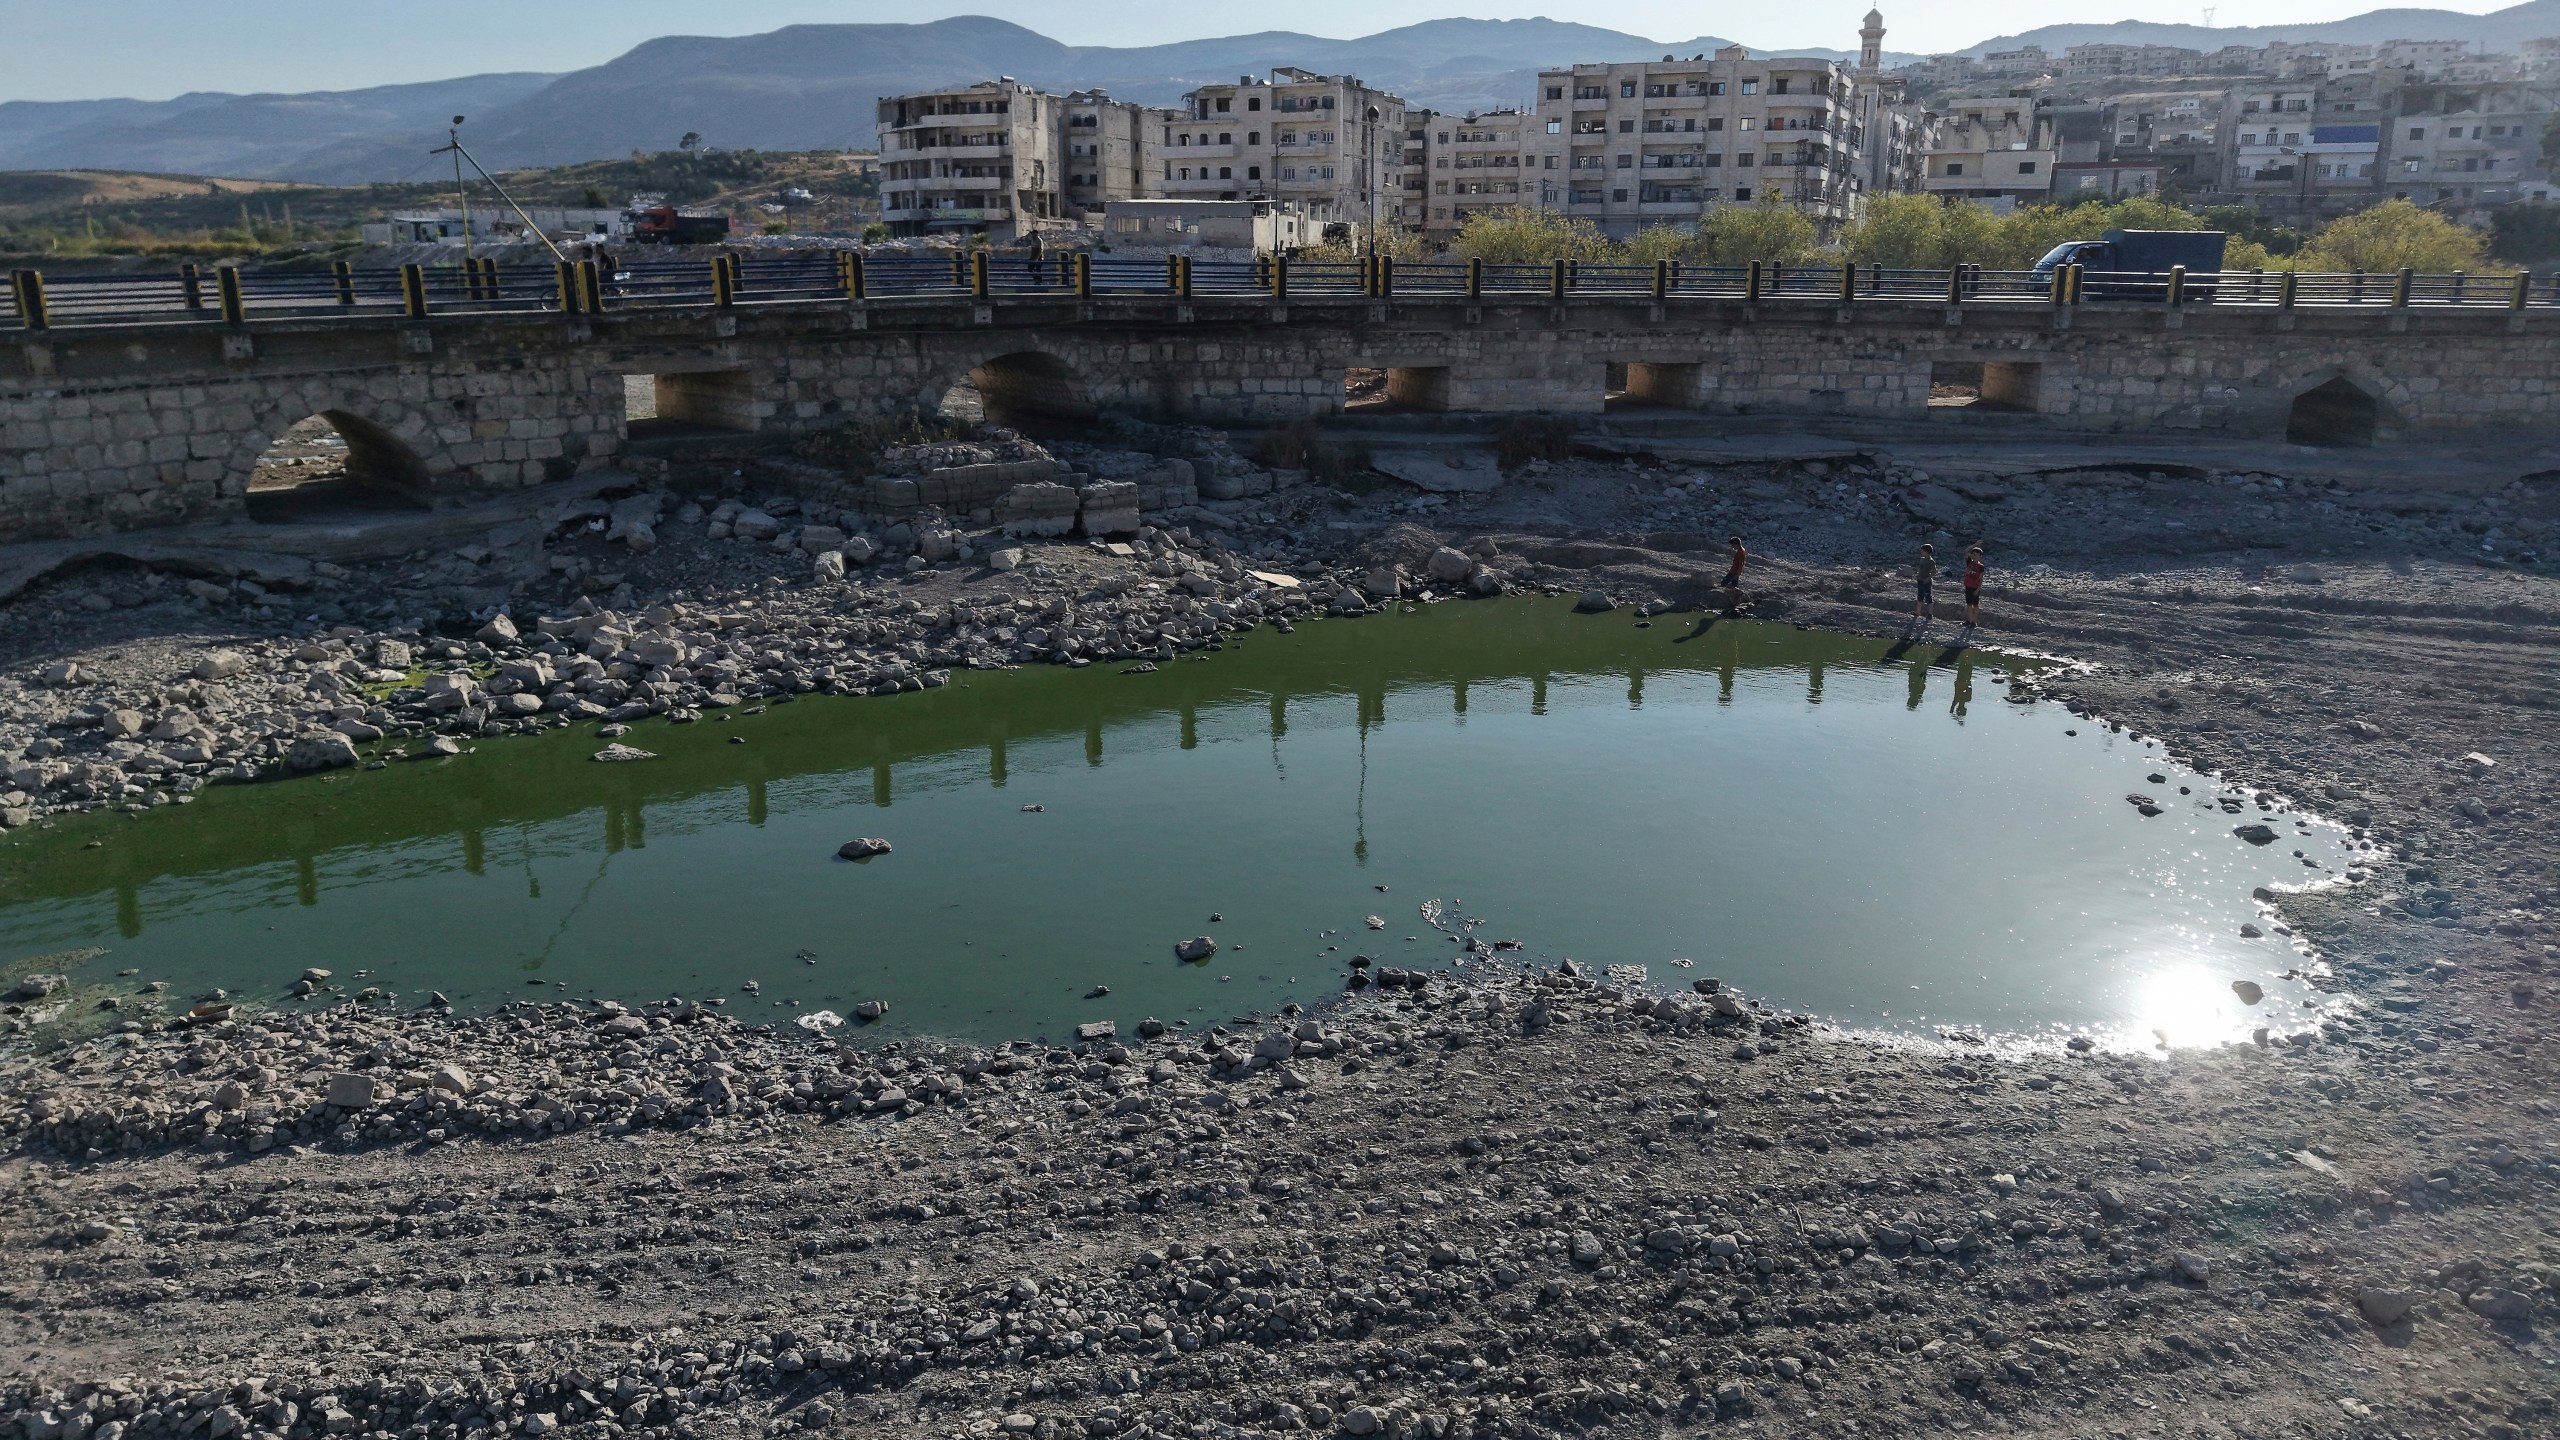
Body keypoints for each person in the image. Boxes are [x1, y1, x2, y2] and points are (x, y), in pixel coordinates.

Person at [1961, 543, 1986, 628]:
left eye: (1977, 555)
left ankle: (1974, 622)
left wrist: (1978, 589)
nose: (1975, 556)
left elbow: (1981, 579)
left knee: (1975, 605)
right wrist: (1975, 545)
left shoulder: (1981, 566)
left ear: (1980, 556)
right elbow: (1965, 551)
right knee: (1969, 605)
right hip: (1968, 586)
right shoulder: (1969, 562)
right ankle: (1969, 620)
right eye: (1973, 554)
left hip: (1975, 588)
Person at [1721, 535, 1747, 608]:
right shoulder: (1742, 550)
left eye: (1733, 545)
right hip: (1735, 570)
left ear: (1736, 544)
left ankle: (1739, 592)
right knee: (1734, 586)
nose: (1732, 547)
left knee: (1723, 583)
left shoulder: (1740, 552)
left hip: (1734, 571)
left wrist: (1738, 573)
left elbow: (1741, 564)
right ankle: (1736, 604)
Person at [1913, 543, 1936, 622]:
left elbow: (1934, 572)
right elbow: (1920, 569)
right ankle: (1917, 612)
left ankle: (1930, 613)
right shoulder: (1922, 559)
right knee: (1920, 595)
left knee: (1928, 596)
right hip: (1920, 580)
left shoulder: (1931, 561)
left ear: (1927, 552)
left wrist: (1928, 578)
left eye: (1922, 551)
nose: (1921, 553)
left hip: (1927, 581)